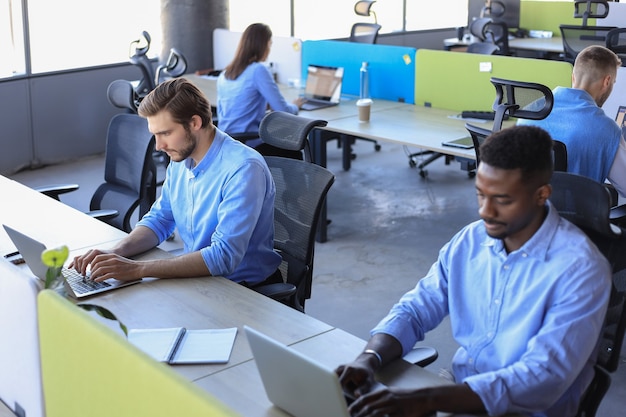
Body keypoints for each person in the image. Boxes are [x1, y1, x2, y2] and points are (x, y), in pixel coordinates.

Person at [336, 125, 611, 417]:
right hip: (460, 392)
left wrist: (426, 400)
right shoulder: (471, 240)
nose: (485, 211)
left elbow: (542, 378)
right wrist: (370, 357)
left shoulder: (582, 270)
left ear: (542, 194)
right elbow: (416, 308)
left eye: (502, 200)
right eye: (481, 194)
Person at [70, 78, 282, 287]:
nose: (158, 146)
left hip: (242, 289)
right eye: (155, 135)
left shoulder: (243, 168)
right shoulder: (181, 157)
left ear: (195, 123)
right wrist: (115, 252)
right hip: (199, 278)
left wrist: (137, 269)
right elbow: (160, 219)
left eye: (165, 133)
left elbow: (223, 256)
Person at [517, 45, 626, 196]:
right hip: (573, 217)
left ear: (573, 76)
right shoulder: (605, 130)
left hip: (523, 212)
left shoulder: (530, 111)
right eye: (613, 82)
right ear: (607, 81)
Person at [216, 22, 305, 153]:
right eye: (269, 44)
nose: (269, 49)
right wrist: (296, 106)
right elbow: (283, 111)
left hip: (226, 144)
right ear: (263, 45)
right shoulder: (258, 70)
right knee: (294, 150)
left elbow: (228, 110)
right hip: (249, 144)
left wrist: (261, 105)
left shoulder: (224, 74)